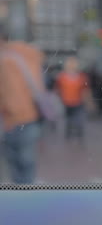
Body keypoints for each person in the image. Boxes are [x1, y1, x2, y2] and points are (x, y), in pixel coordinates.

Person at [0, 26, 44, 183]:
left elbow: (7, 93)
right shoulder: (24, 54)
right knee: (27, 159)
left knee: (15, 162)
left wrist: (8, 112)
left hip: (12, 118)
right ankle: (28, 193)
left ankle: (21, 195)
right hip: (30, 114)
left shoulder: (4, 61)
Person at [55, 57, 90, 142]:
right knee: (69, 119)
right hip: (66, 101)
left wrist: (88, 101)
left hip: (78, 101)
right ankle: (69, 134)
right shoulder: (61, 77)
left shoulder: (81, 77)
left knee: (78, 119)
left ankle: (79, 135)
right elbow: (57, 89)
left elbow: (85, 90)